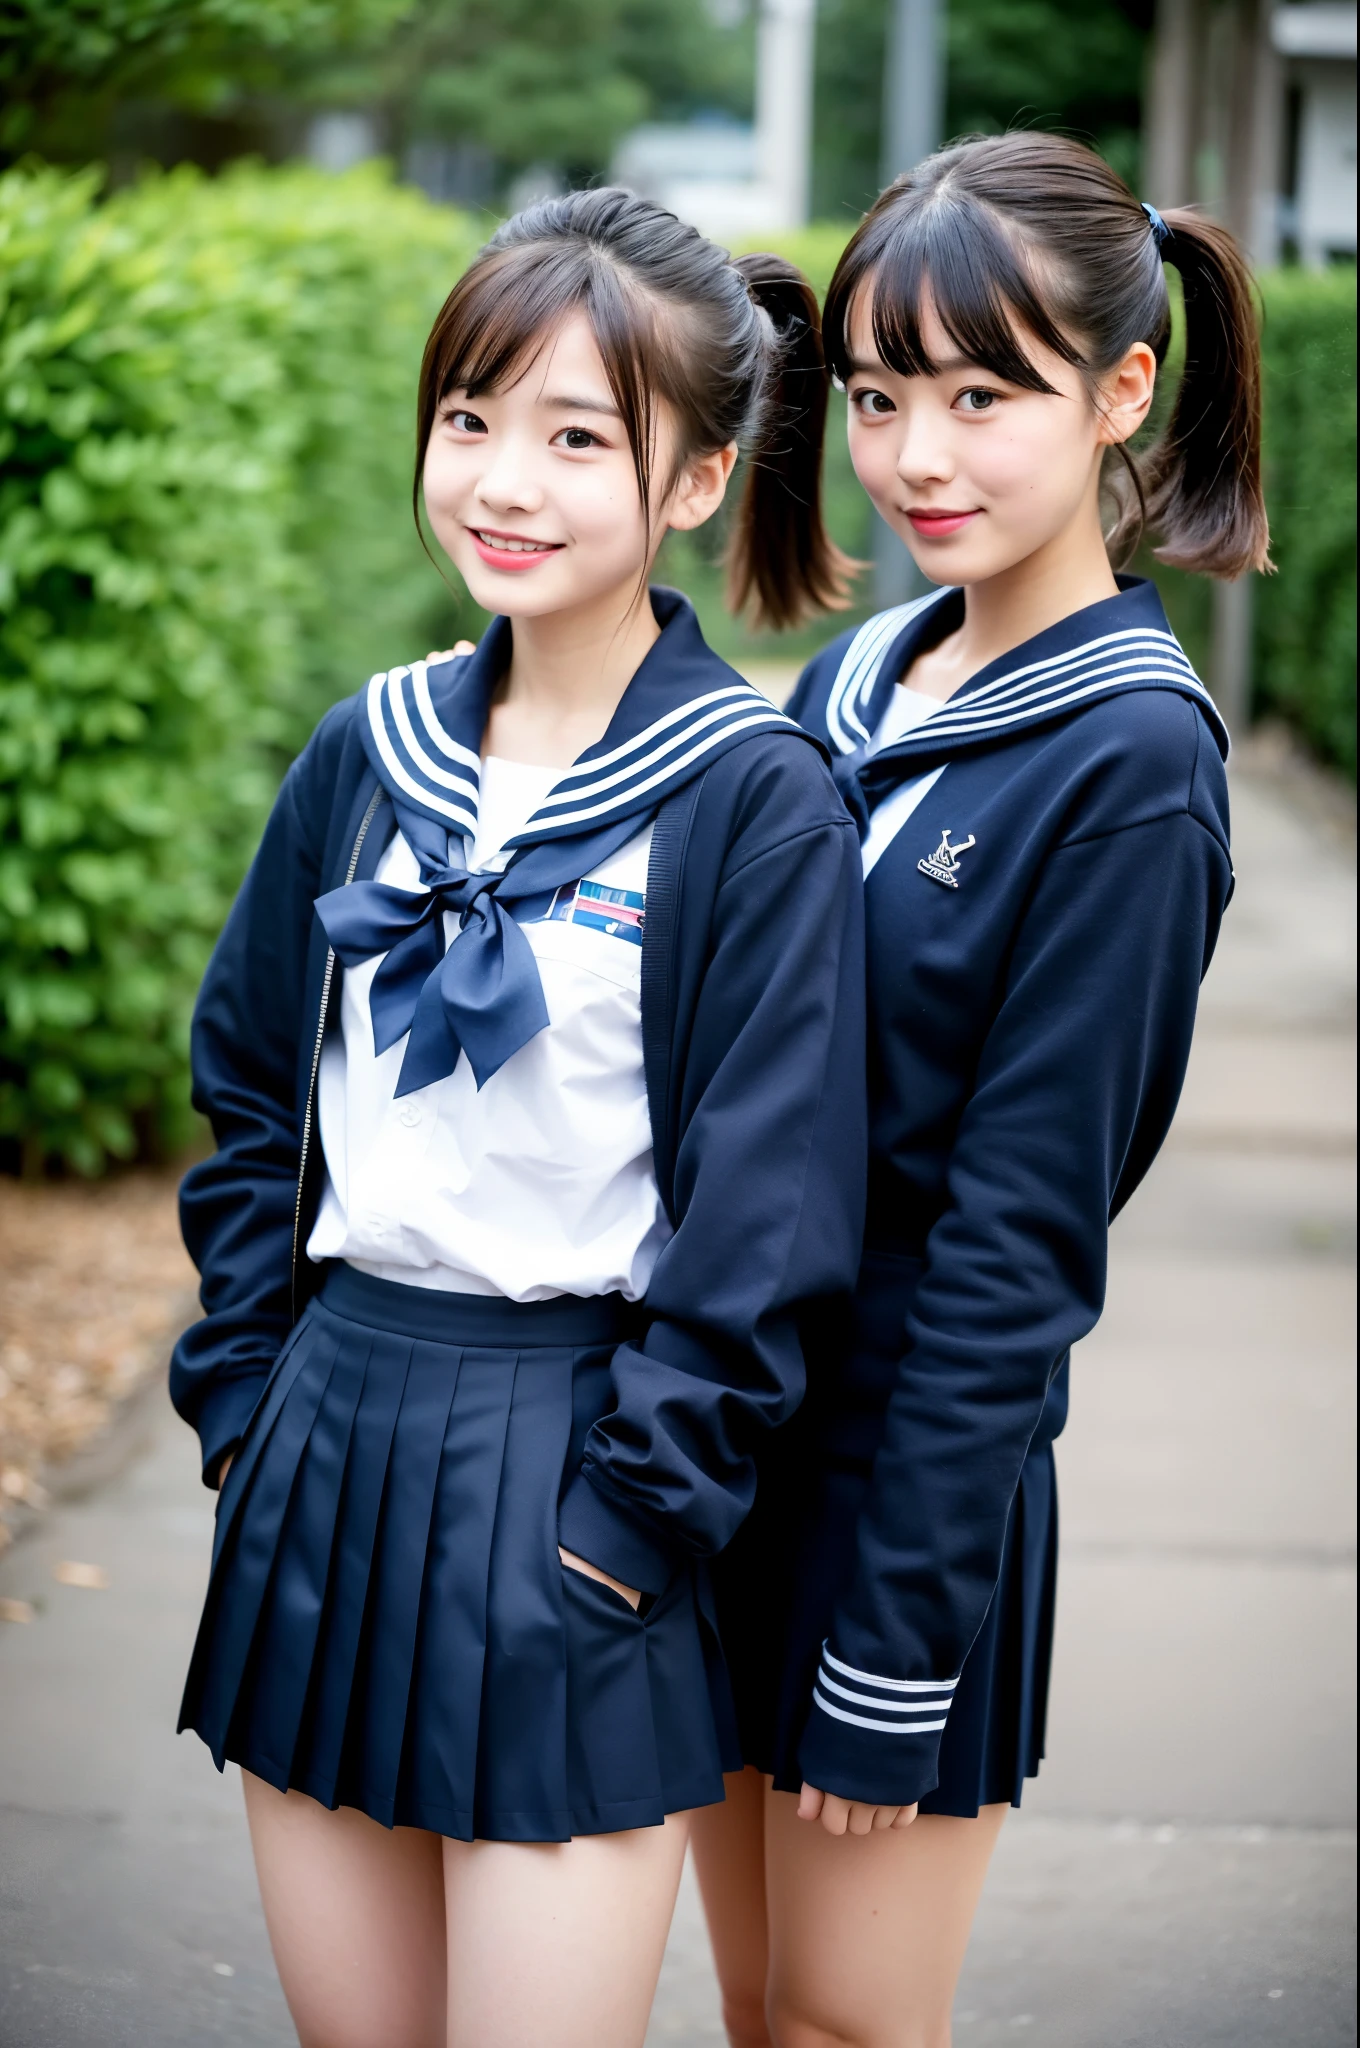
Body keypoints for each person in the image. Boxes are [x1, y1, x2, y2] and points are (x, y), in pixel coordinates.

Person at [168, 187, 868, 2048]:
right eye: (472, 418)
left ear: (699, 484)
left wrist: (633, 1518)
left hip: (579, 1468)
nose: (503, 479)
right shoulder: (365, 747)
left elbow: (772, 1213)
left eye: (578, 439)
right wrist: (244, 1396)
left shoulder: (747, 799)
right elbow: (245, 1080)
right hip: (326, 1437)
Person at [691, 131, 1263, 2048]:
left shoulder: (1131, 771)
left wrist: (896, 1634)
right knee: (759, 2003)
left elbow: (1021, 1246)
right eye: (874, 397)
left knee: (846, 2025)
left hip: (894, 1493)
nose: (917, 456)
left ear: (1122, 392)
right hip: (721, 1447)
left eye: (982, 395)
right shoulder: (858, 682)